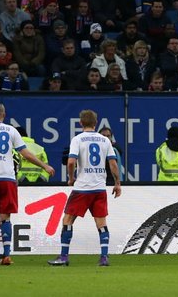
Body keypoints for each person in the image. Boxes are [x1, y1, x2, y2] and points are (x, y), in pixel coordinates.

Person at [0, 103, 55, 266]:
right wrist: (44, 166)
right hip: (8, 178)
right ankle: (6, 255)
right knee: (5, 217)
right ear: (4, 115)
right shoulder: (11, 130)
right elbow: (25, 153)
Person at [48, 109, 121, 267]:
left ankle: (64, 256)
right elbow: (113, 163)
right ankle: (104, 257)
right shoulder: (105, 140)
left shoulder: (78, 139)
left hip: (82, 188)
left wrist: (71, 178)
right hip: (99, 188)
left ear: (80, 123)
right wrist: (117, 183)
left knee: (67, 220)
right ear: (96, 123)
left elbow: (71, 162)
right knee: (101, 223)